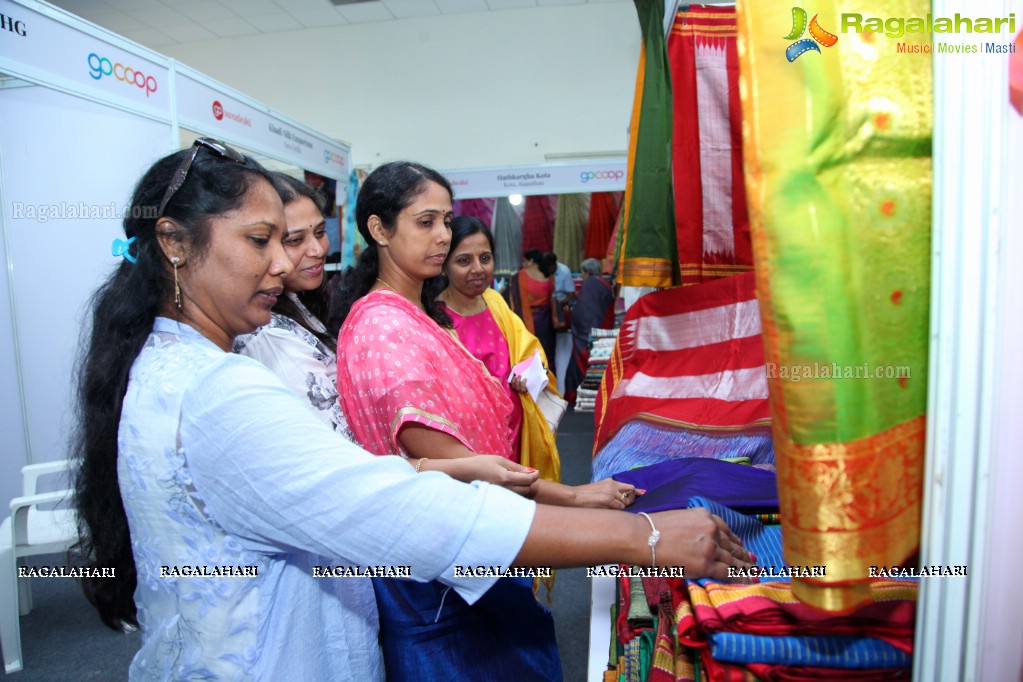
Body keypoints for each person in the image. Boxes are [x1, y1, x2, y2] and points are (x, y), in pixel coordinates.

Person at [72, 140, 752, 681]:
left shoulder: (167, 369)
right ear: (173, 242)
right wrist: (644, 538)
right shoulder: (221, 391)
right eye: (260, 240)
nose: (285, 263)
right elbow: (392, 509)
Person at [332, 163, 640, 680]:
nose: (442, 236)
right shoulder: (384, 326)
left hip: (477, 541)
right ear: (379, 230)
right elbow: (456, 465)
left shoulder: (422, 317)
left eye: (446, 221)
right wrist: (579, 498)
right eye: (425, 222)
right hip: (440, 570)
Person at [435, 216, 564, 481]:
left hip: (516, 432)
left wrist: (529, 374)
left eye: (485, 258)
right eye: (463, 260)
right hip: (468, 445)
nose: (478, 268)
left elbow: (529, 351)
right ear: (444, 266)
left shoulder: (494, 301)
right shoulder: (434, 317)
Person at [564, 257, 617, 401]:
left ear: (586, 272)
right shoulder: (605, 284)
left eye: (582, 273)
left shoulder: (588, 285)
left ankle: (578, 394)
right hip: (601, 328)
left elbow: (582, 310)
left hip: (584, 330)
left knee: (579, 361)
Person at [505, 248, 557, 372]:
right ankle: (549, 382)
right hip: (546, 322)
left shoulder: (521, 276)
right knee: (547, 353)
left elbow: (509, 299)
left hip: (526, 320)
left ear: (531, 261)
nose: (523, 264)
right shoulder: (549, 277)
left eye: (524, 260)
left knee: (530, 353)